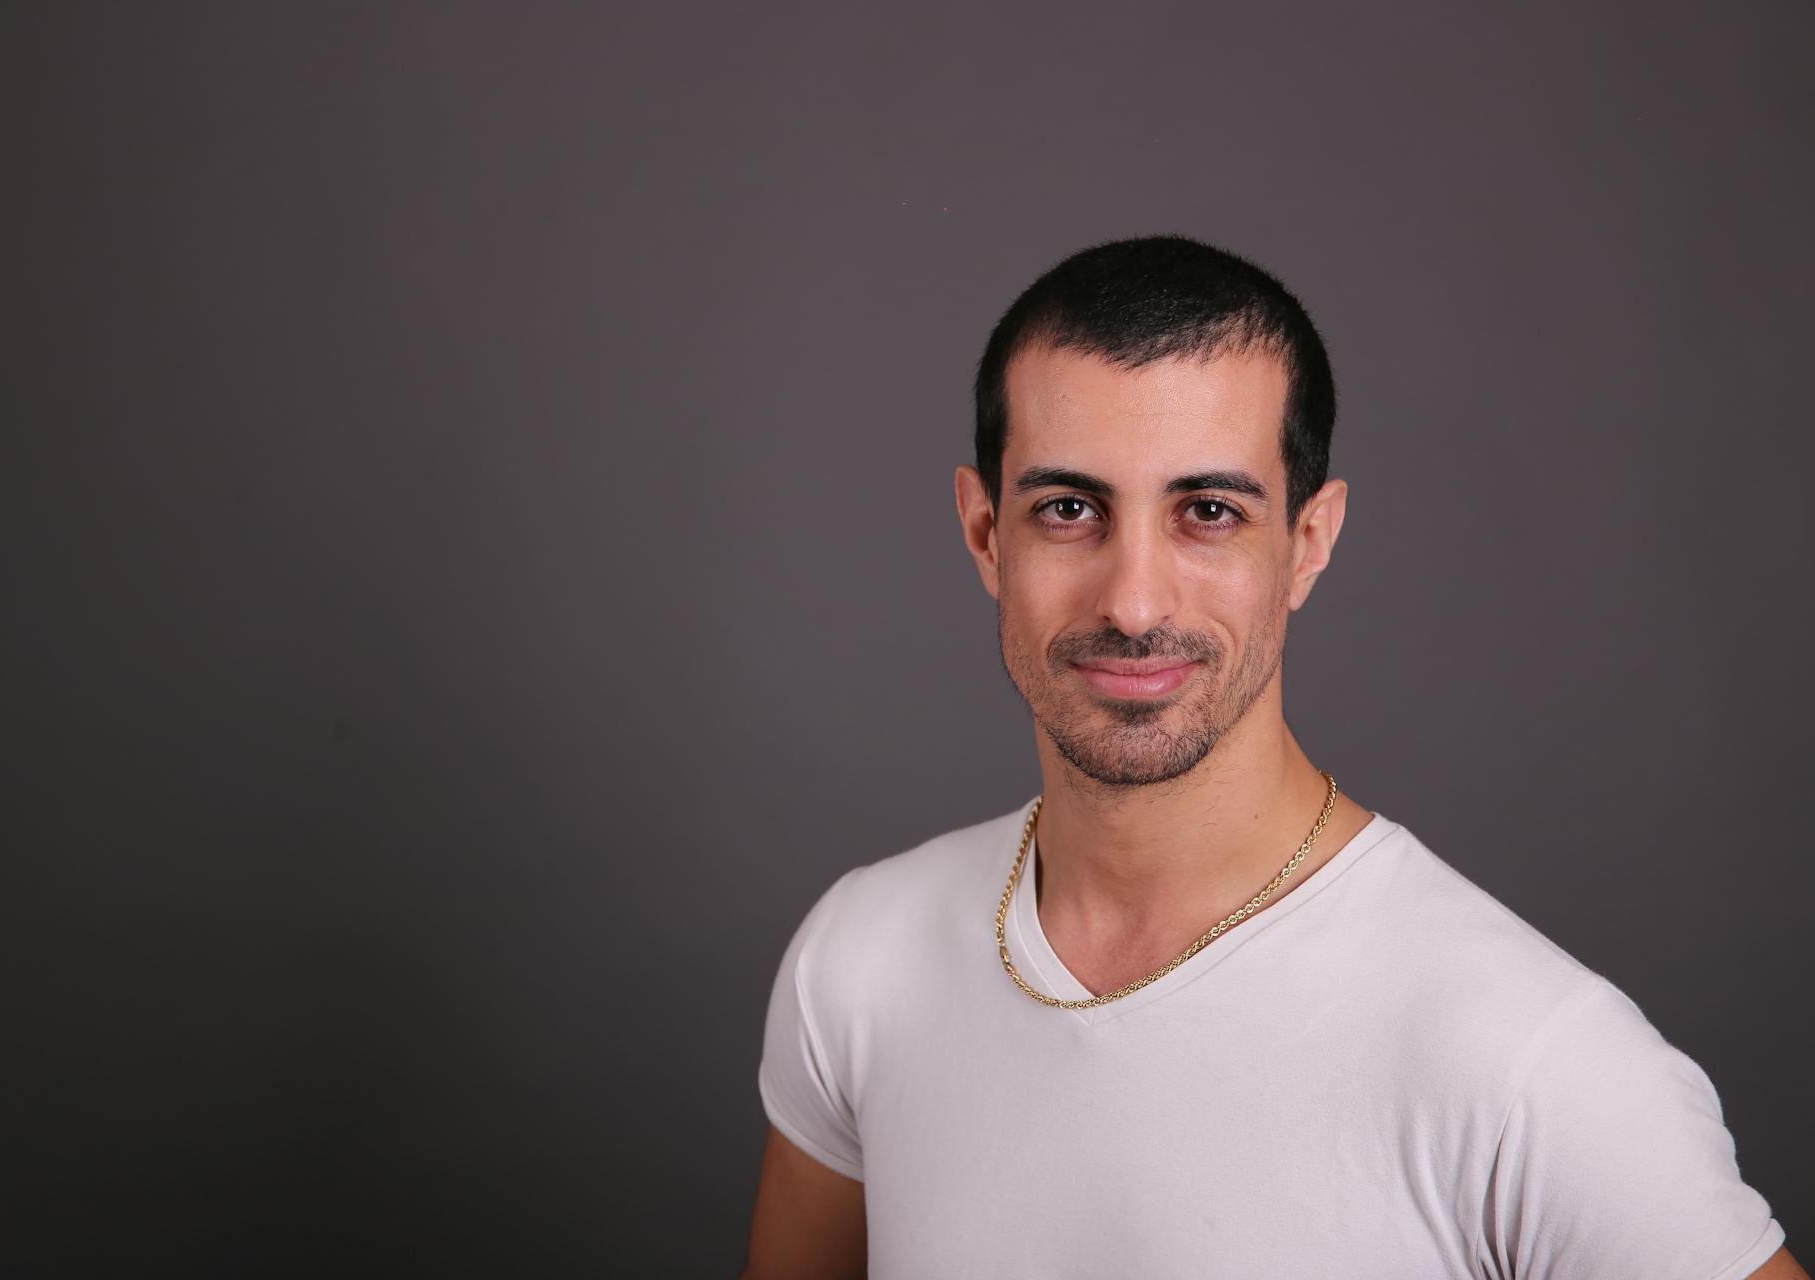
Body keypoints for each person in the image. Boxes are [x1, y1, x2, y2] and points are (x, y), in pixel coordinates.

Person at [740, 235, 1801, 1279]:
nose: (1135, 601)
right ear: (984, 533)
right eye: (1069, 509)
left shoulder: (1537, 1062)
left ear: (1307, 541)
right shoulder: (862, 955)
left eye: (1209, 512)